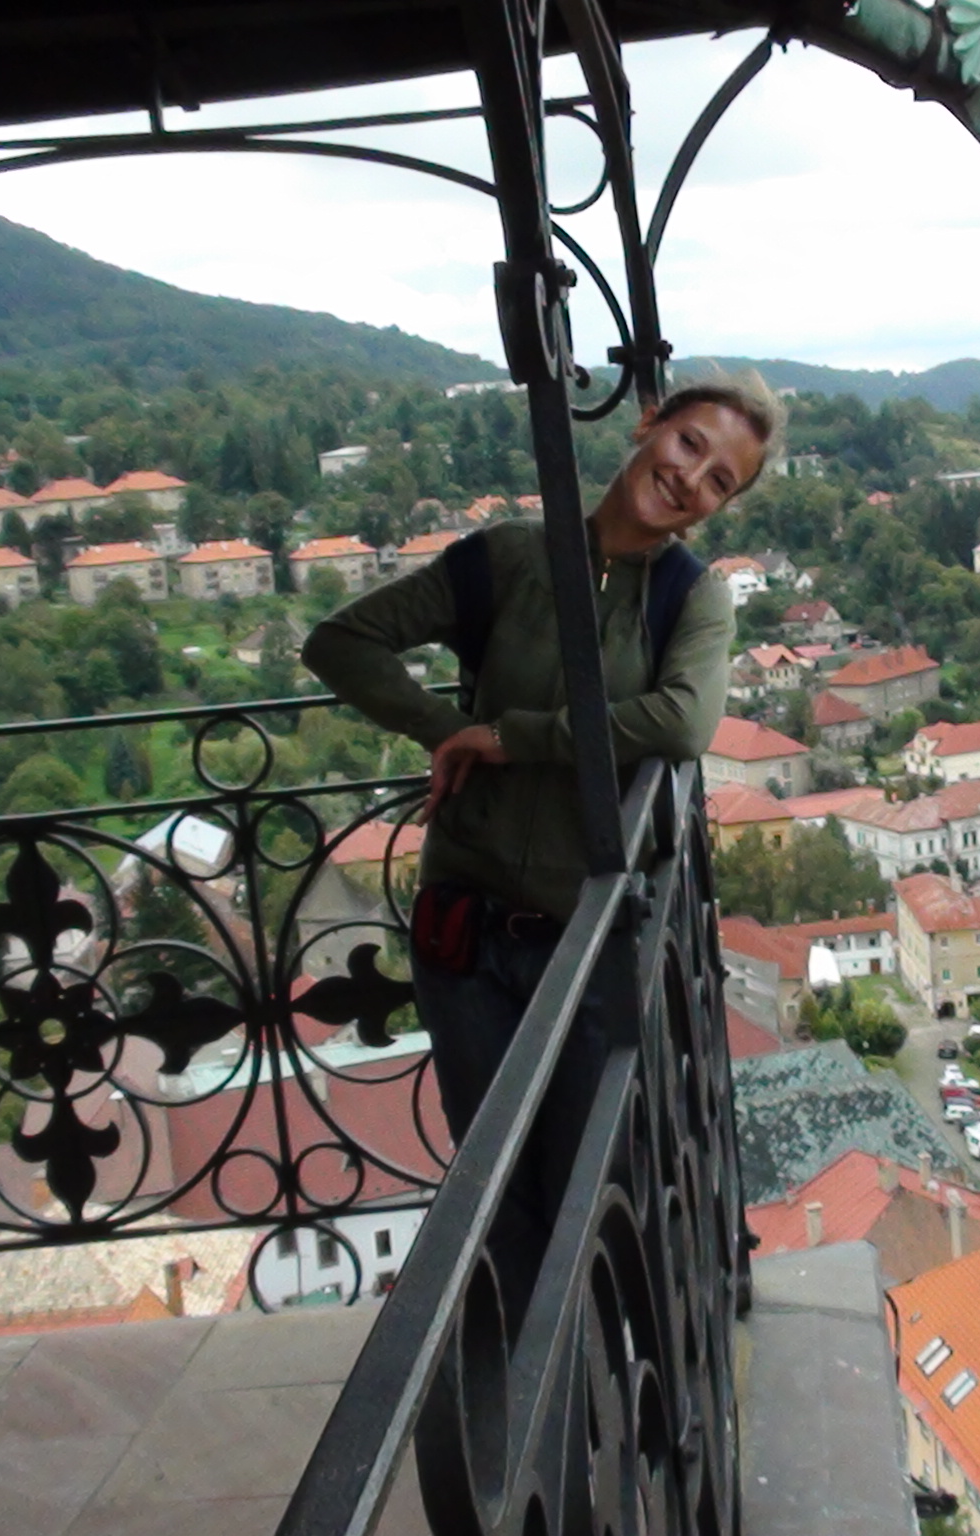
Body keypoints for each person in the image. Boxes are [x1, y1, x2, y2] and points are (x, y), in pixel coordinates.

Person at [301, 375, 780, 1325]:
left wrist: (509, 737)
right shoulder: (506, 559)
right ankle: (526, 1383)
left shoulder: (690, 596)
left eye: (720, 480)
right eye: (689, 445)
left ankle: (602, 1367)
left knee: (590, 1180)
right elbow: (341, 643)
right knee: (492, 1178)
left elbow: (684, 723)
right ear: (648, 426)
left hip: (589, 936)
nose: (690, 479)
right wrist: (445, 729)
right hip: (467, 931)